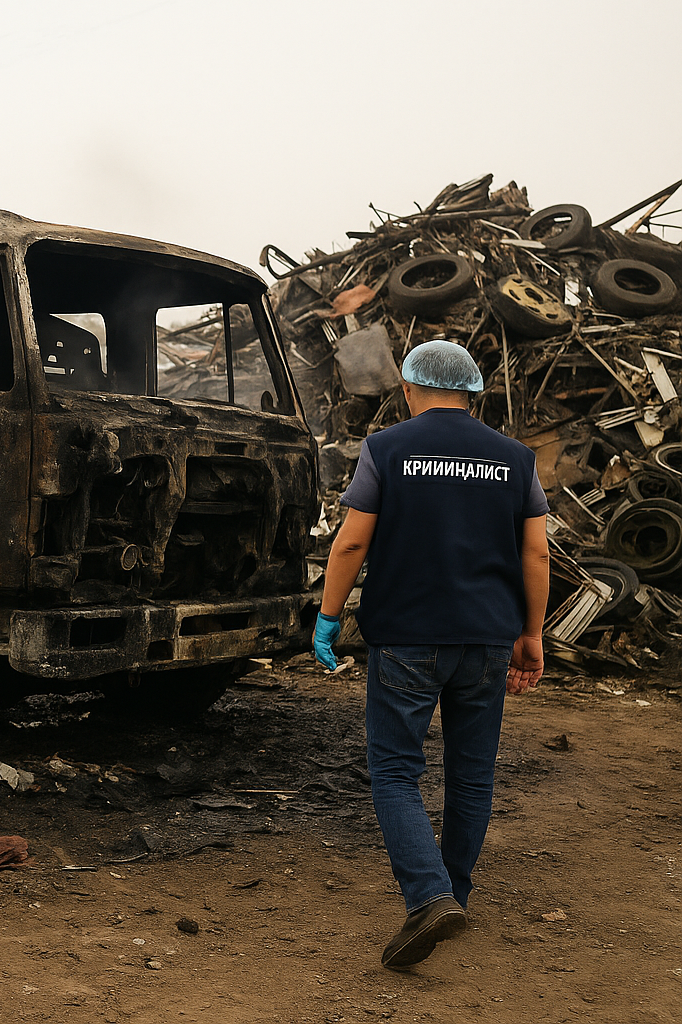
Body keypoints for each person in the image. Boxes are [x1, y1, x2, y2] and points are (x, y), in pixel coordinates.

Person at [312, 340, 549, 970]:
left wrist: (328, 618)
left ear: (410, 389)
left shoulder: (385, 449)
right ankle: (454, 894)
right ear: (472, 392)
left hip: (407, 638)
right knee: (472, 774)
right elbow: (536, 553)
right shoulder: (516, 458)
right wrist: (531, 634)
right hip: (487, 638)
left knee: (395, 770)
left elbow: (350, 543)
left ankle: (429, 896)